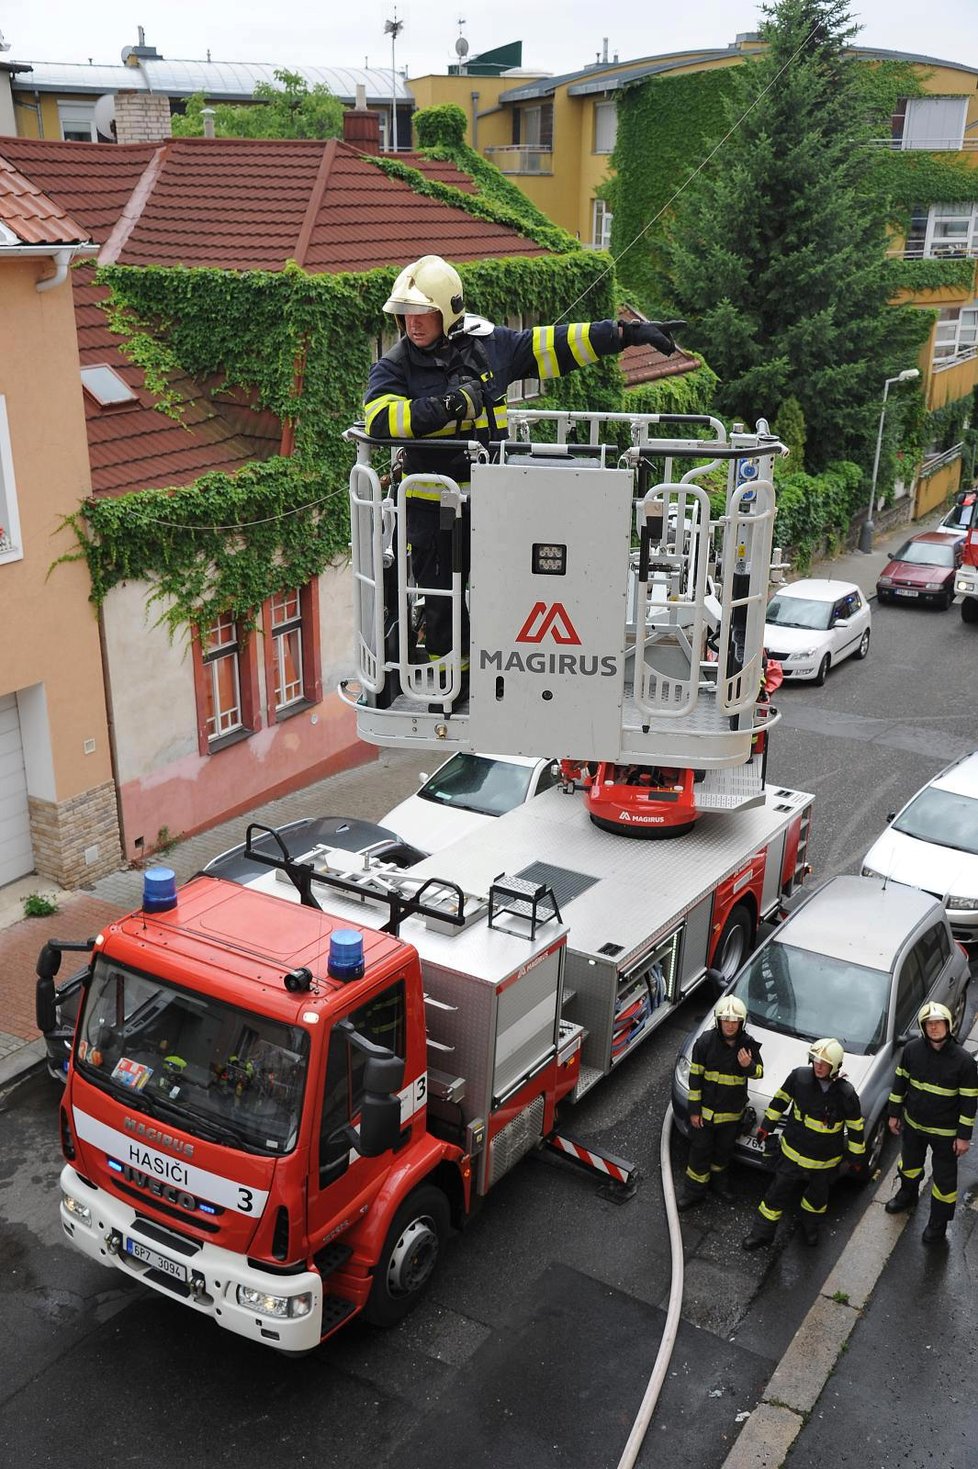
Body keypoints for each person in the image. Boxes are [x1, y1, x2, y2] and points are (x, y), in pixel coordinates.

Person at [363, 254, 683, 673]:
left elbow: (559, 343)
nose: (412, 324)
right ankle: (450, 685)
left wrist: (627, 333)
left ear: (447, 311)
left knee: (508, 589)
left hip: (495, 502)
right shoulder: (395, 365)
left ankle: (508, 666)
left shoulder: (490, 346)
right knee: (442, 598)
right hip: (431, 508)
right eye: (404, 314)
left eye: (422, 313)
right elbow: (381, 417)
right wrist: (446, 406)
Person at [742, 1038, 865, 1250]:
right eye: (816, 1060)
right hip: (793, 1151)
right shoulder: (799, 1077)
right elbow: (780, 1100)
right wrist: (767, 1126)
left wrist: (856, 1158)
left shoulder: (846, 1094)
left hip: (824, 1161)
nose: (818, 1065)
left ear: (835, 1066)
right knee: (775, 1195)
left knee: (817, 1200)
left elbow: (856, 1128)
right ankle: (761, 1234)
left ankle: (810, 1228)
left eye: (824, 1062)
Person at [884, 1000, 977, 1245]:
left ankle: (938, 1223)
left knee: (945, 1183)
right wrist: (894, 1114)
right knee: (910, 1166)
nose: (934, 1028)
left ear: (948, 1025)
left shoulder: (965, 1062)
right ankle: (907, 1195)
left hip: (946, 1134)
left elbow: (969, 1102)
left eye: (938, 1023)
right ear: (923, 1028)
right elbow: (900, 1083)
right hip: (913, 1126)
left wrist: (963, 1136)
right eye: (929, 1024)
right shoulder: (912, 1051)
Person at [679, 994, 763, 1209]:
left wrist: (749, 1066)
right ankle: (693, 1193)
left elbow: (759, 1073)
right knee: (699, 1154)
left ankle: (719, 1187)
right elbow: (695, 1079)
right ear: (719, 1021)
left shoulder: (748, 1045)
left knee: (723, 1154)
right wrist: (694, 1111)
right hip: (705, 1116)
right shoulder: (705, 1043)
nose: (730, 1025)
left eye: (734, 1021)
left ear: (741, 1023)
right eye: (726, 1020)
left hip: (732, 1117)